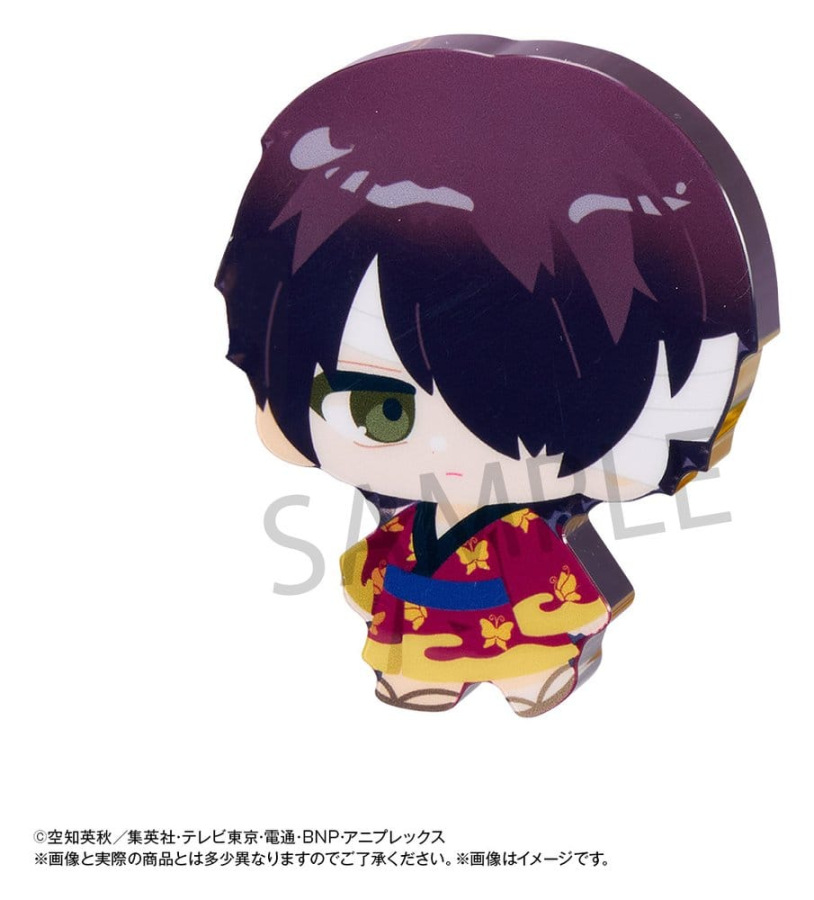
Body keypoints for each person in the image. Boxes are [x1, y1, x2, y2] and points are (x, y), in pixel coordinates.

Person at [216, 38, 776, 715]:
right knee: (416, 656)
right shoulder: (409, 520)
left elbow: (561, 589)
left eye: (535, 416)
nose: (447, 454)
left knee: (523, 658)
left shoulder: (524, 532)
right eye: (381, 412)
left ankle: (527, 675)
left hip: (510, 623)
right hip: (421, 621)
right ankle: (426, 677)